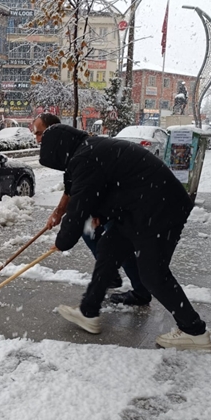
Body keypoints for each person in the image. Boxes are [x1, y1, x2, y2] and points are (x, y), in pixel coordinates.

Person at [38, 124, 211, 351]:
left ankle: (194, 331)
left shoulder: (86, 157)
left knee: (152, 274)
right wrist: (101, 213)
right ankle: (88, 312)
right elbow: (112, 186)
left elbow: (79, 207)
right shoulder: (89, 149)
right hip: (140, 207)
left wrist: (63, 241)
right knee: (109, 248)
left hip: (159, 210)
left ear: (59, 151)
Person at [31, 114, 149, 306]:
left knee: (117, 243)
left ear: (54, 131)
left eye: (39, 133)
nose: (37, 140)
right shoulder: (68, 151)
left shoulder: (83, 150)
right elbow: (72, 188)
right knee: (89, 233)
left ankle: (138, 292)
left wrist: (65, 238)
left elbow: (87, 191)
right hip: (109, 202)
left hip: (125, 201)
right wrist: (58, 214)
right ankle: (111, 276)